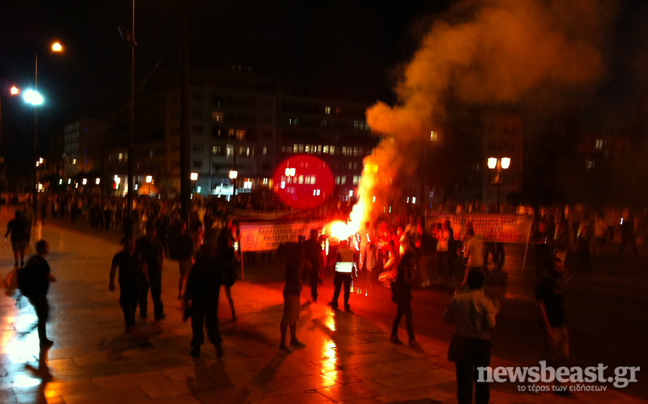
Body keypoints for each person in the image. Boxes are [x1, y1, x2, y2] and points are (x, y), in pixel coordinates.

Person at [443, 271, 499, 404]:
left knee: (464, 381)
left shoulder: (457, 299)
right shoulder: (485, 301)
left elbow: (446, 319)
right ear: (482, 284)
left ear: (468, 283)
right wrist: (495, 311)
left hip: (462, 343)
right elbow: (490, 324)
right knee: (481, 380)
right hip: (481, 344)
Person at [536, 258, 572, 396]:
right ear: (551, 269)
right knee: (550, 359)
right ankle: (529, 376)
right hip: (552, 326)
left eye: (562, 267)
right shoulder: (544, 284)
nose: (562, 270)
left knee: (562, 357)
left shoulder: (556, 284)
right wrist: (548, 328)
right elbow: (541, 306)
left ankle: (559, 386)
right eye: (558, 267)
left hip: (560, 325)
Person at [184, 244, 224, 359]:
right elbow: (221, 279)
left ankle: (197, 348)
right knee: (212, 322)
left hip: (199, 298)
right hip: (212, 298)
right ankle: (217, 345)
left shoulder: (198, 265)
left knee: (197, 323)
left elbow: (191, 282)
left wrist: (187, 298)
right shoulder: (215, 264)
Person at [20, 240, 56, 348]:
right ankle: (42, 340)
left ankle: (41, 337)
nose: (48, 249)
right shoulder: (43, 263)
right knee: (43, 317)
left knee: (42, 316)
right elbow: (48, 277)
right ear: (44, 249)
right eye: (47, 247)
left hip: (31, 293)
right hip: (38, 294)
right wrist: (53, 278)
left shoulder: (32, 259)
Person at [277, 241, 308, 352]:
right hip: (290, 292)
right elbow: (298, 271)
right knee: (287, 317)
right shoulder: (293, 261)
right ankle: (282, 343)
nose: (303, 252)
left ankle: (293, 339)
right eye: (302, 251)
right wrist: (303, 262)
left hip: (294, 291)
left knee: (293, 317)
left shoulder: (294, 260)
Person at [109, 237, 145, 332]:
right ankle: (130, 321)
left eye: (133, 243)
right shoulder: (119, 256)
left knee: (134, 302)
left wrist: (145, 276)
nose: (132, 245)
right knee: (125, 301)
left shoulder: (138, 254)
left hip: (137, 282)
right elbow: (113, 270)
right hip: (125, 282)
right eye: (130, 243)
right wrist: (111, 282)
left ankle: (130, 320)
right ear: (125, 244)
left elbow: (143, 265)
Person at [136, 223, 166, 321]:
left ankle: (158, 314)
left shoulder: (157, 242)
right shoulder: (141, 242)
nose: (150, 234)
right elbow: (137, 255)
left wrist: (162, 263)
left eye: (152, 232)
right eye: (149, 232)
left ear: (154, 232)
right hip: (144, 270)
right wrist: (141, 265)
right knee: (143, 292)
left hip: (155, 270)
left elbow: (162, 252)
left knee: (156, 292)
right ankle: (143, 312)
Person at [390, 241, 418, 347]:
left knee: (399, 316)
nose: (414, 261)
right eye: (413, 259)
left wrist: (413, 271)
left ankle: (393, 335)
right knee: (408, 316)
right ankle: (411, 339)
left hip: (404, 295)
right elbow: (407, 280)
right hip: (403, 295)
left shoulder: (406, 267)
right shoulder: (405, 267)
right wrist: (415, 281)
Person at [217, 219, 239, 321]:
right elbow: (233, 249)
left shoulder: (226, 241)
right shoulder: (225, 241)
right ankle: (232, 312)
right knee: (224, 294)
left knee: (227, 294)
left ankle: (233, 312)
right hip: (224, 270)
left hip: (225, 270)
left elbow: (234, 249)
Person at [329, 238, 358, 312]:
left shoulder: (340, 251)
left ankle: (335, 302)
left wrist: (333, 264)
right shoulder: (351, 251)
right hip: (348, 273)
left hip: (340, 272)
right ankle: (346, 304)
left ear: (341, 244)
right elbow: (354, 260)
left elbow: (337, 260)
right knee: (347, 289)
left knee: (337, 288)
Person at [302, 229, 323, 302]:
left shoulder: (305, 243)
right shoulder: (317, 245)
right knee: (314, 281)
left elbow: (303, 254)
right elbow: (320, 256)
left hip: (306, 264)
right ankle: (314, 296)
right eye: (316, 235)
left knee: (302, 279)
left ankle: (297, 293)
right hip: (314, 265)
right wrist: (320, 265)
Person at [176, 221, 194, 299]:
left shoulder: (178, 237)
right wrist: (192, 256)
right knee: (189, 277)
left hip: (181, 258)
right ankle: (188, 293)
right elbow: (190, 246)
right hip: (186, 258)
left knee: (182, 276)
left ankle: (180, 293)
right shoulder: (186, 237)